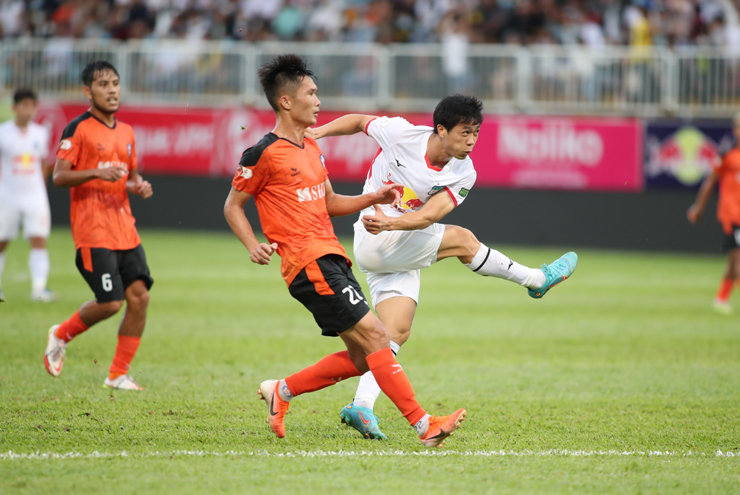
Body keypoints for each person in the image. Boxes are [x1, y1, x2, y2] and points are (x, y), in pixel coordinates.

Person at [223, 54, 466, 447]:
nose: (319, 101)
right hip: (308, 261)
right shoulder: (262, 153)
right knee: (376, 336)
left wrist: (375, 196)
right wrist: (253, 244)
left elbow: (329, 202)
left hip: (333, 256)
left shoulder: (312, 149)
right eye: (311, 94)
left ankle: (281, 391)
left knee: (361, 357)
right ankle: (425, 425)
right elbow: (233, 205)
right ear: (286, 101)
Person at [307, 96, 578, 440]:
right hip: (374, 239)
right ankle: (536, 279)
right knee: (463, 241)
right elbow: (360, 121)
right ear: (441, 129)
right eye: (465, 132)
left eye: (476, 133)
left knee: (394, 333)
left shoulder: (464, 171)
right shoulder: (402, 133)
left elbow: (430, 216)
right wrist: (319, 133)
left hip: (396, 241)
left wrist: (392, 225)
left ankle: (361, 404)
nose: (471, 141)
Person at [43, 61, 154, 390]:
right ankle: (60, 334)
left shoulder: (127, 132)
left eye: (115, 83)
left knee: (140, 298)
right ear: (88, 91)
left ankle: (118, 373)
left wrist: (138, 185)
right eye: (103, 84)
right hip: (93, 231)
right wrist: (95, 172)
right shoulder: (77, 129)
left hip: (125, 229)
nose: (112, 90)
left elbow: (130, 176)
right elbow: (59, 176)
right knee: (110, 302)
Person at [0, 88, 55, 302]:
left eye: (32, 106)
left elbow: (44, 164)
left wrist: (41, 189)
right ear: (14, 108)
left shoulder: (40, 133)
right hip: (8, 195)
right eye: (23, 105)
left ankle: (39, 289)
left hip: (34, 196)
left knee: (39, 240)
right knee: (2, 242)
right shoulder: (3, 132)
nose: (28, 110)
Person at [688, 113, 740, 315]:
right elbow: (710, 181)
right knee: (738, 259)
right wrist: (699, 207)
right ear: (735, 130)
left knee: (733, 261)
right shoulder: (727, 154)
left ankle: (720, 298)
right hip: (733, 215)